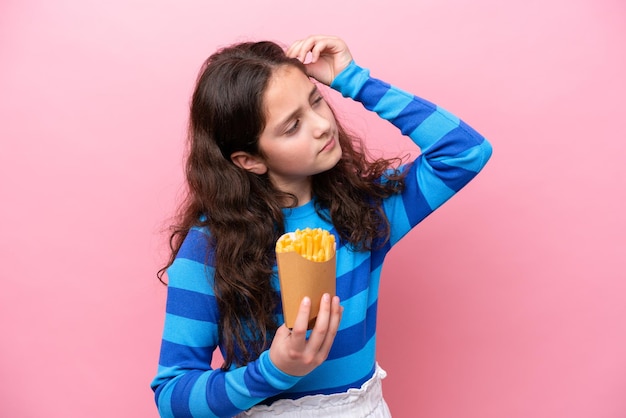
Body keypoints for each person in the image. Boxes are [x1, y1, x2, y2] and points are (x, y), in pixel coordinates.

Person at [151, 35, 492, 417]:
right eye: (292, 126)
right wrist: (272, 372)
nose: (320, 126)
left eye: (316, 101)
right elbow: (171, 396)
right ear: (249, 160)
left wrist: (354, 80)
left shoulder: (366, 213)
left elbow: (465, 152)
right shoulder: (209, 247)